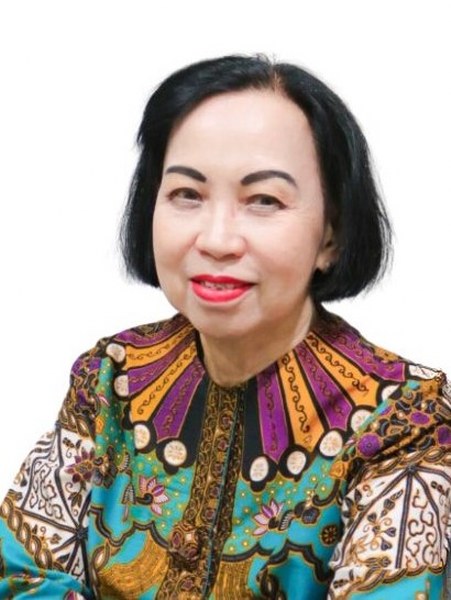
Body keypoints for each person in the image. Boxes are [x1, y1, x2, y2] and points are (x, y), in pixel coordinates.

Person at [0, 54, 449, 599]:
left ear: (330, 235)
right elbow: (16, 576)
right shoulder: (110, 379)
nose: (216, 240)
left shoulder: (404, 423)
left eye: (264, 200)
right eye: (186, 194)